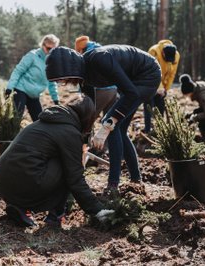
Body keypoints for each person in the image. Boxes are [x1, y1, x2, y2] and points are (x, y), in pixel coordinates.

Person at [45, 45, 161, 191]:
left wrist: (106, 126)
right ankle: (136, 180)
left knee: (112, 125)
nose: (63, 83)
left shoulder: (100, 59)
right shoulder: (83, 77)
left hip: (148, 75)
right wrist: (85, 138)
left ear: (70, 69)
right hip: (131, 83)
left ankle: (113, 184)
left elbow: (132, 93)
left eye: (62, 79)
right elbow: (90, 108)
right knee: (119, 129)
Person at [0, 96, 114, 227]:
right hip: (26, 181)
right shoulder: (70, 132)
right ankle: (56, 216)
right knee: (69, 168)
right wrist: (98, 210)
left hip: (1, 182)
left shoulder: (43, 122)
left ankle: (20, 207)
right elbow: (75, 178)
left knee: (55, 163)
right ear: (87, 118)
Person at [5, 34, 61, 121]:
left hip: (34, 95)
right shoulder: (32, 55)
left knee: (39, 120)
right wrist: (9, 88)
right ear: (43, 45)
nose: (50, 52)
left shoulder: (51, 62)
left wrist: (56, 99)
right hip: (21, 89)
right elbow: (18, 71)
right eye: (49, 48)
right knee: (16, 118)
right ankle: (12, 134)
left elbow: (51, 82)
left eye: (53, 49)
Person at [74, 36, 117, 118]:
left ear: (81, 48)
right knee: (108, 119)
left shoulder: (88, 55)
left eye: (78, 51)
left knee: (89, 116)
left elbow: (85, 77)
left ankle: (86, 131)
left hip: (101, 90)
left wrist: (80, 93)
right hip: (114, 89)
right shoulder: (102, 50)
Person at [143, 40, 180, 133]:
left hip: (162, 86)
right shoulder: (153, 51)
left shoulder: (176, 55)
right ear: (163, 52)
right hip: (149, 82)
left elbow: (172, 74)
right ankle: (147, 129)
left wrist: (165, 89)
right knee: (148, 105)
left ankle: (160, 129)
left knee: (161, 105)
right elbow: (151, 71)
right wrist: (158, 87)